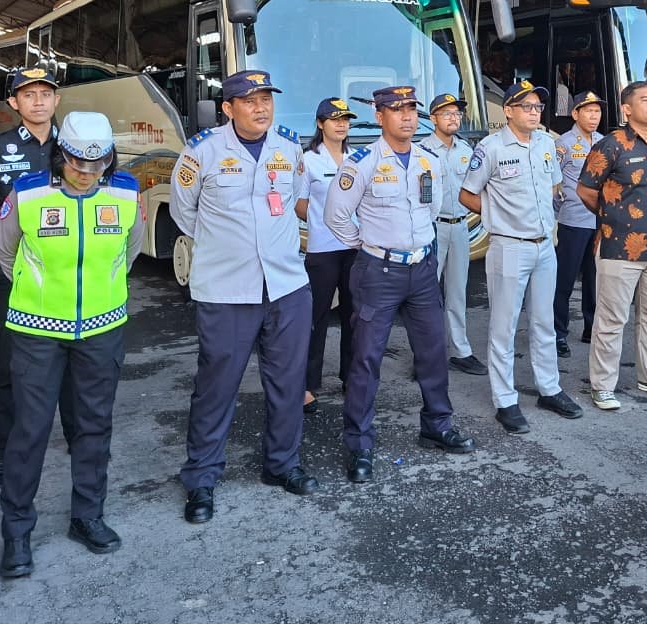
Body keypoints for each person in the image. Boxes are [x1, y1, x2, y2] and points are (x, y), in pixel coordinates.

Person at [0, 111, 144, 578]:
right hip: (37, 331)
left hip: (101, 329)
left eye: (97, 166)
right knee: (31, 431)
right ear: (62, 156)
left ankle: (88, 517)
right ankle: (17, 532)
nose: (86, 174)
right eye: (78, 164)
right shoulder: (28, 192)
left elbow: (130, 250)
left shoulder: (126, 191)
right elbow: (4, 252)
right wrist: (43, 297)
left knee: (94, 427)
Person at [170, 70, 319, 525]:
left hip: (287, 285)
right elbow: (184, 211)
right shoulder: (202, 152)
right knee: (217, 386)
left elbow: (294, 199)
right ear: (228, 108)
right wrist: (227, 248)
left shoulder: (289, 147)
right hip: (226, 289)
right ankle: (201, 478)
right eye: (249, 100)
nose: (261, 107)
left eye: (266, 99)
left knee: (288, 383)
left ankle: (282, 465)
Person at [325, 85, 476, 482]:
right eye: (397, 109)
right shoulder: (361, 162)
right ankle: (359, 444)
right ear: (379, 116)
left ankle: (437, 425)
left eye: (411, 109)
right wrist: (368, 246)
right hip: (379, 272)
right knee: (366, 359)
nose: (407, 116)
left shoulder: (428, 160)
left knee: (432, 351)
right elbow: (336, 216)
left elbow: (431, 207)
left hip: (422, 269)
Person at [0, 66, 74, 491]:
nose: (39, 100)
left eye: (46, 93)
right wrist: (11, 254)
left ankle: (78, 438)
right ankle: (0, 454)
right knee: (8, 363)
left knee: (73, 357)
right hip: (10, 278)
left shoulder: (79, 147)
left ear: (56, 100)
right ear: (14, 103)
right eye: (29, 95)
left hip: (67, 275)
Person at [459, 80, 583, 435]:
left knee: (544, 322)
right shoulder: (491, 147)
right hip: (509, 246)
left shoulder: (547, 143)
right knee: (504, 326)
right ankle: (505, 400)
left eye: (538, 107)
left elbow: (555, 185)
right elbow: (468, 194)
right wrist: (497, 217)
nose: (533, 112)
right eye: (526, 106)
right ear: (509, 111)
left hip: (545, 245)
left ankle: (549, 388)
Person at [576, 82, 647, 410]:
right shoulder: (611, 146)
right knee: (611, 319)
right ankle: (602, 385)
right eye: (645, 101)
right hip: (618, 248)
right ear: (626, 109)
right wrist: (614, 217)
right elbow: (586, 190)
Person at [297, 98, 359, 413]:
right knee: (315, 318)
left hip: (354, 248)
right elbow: (300, 204)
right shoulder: (308, 160)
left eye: (345, 119)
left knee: (354, 316)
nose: (341, 124)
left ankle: (351, 377)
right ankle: (306, 385)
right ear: (320, 124)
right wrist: (322, 221)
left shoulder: (357, 158)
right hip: (322, 249)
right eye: (334, 119)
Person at [417, 92, 486, 376]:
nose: (453, 118)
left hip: (460, 225)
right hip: (431, 228)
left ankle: (460, 350)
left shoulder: (466, 150)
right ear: (433, 119)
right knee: (425, 295)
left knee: (458, 292)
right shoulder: (421, 150)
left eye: (457, 113)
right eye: (446, 114)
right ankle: (425, 356)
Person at [552, 91, 604, 356]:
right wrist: (556, 212)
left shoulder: (604, 142)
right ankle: (558, 332)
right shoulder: (563, 144)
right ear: (575, 114)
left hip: (598, 220)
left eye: (597, 111)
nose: (594, 116)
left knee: (594, 278)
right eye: (588, 111)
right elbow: (553, 181)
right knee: (565, 278)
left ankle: (590, 326)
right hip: (573, 220)